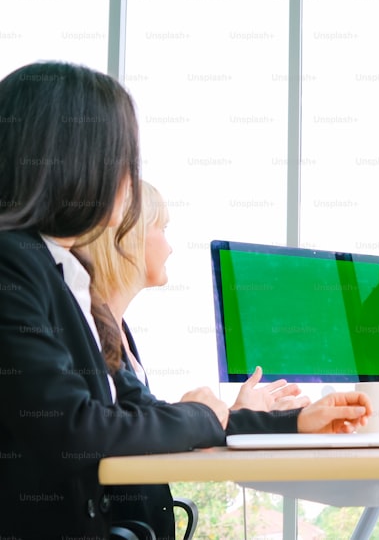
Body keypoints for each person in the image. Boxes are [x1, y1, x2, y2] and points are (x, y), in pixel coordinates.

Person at [0, 61, 370, 539]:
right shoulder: (14, 261)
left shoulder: (67, 276)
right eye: (122, 162)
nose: (129, 183)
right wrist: (197, 414)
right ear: (71, 160)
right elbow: (71, 429)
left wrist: (297, 420)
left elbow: (137, 414)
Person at [75, 180, 311, 538]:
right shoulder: (89, 329)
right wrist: (209, 414)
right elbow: (122, 431)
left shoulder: (119, 329)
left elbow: (145, 424)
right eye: (162, 228)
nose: (170, 246)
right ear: (128, 238)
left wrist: (233, 413)